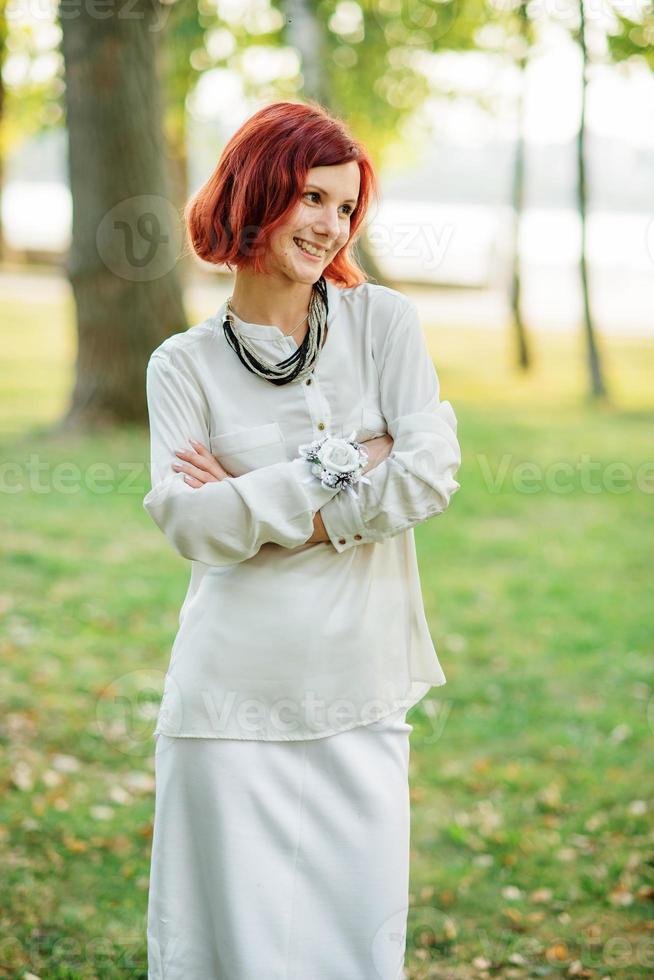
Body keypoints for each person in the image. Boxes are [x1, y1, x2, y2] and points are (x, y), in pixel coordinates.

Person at [143, 100, 461, 980]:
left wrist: (256, 506)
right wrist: (343, 466)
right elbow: (190, 524)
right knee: (224, 951)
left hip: (357, 694)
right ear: (257, 190)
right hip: (228, 702)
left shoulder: (382, 323)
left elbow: (430, 474)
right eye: (312, 198)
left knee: (354, 951)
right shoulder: (182, 364)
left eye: (346, 207)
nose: (330, 225)